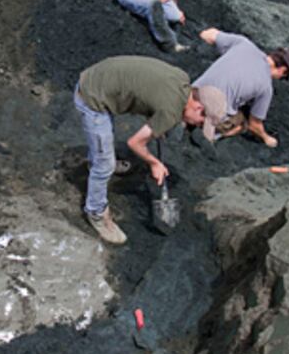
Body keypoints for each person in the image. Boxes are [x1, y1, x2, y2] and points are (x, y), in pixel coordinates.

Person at [74, 56, 226, 244]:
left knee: (103, 147)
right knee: (104, 165)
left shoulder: (182, 80)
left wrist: (157, 124)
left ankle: (98, 160)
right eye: (201, 122)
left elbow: (153, 96)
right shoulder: (170, 112)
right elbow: (134, 143)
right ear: (198, 106)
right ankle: (96, 212)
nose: (197, 126)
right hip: (92, 96)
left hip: (104, 78)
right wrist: (154, 163)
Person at [194, 28, 289, 147]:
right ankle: (211, 135)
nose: (279, 79)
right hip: (205, 114)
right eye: (282, 77)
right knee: (242, 123)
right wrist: (267, 138)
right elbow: (254, 125)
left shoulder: (244, 44)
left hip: (191, 96)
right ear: (283, 70)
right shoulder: (266, 88)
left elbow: (208, 34)